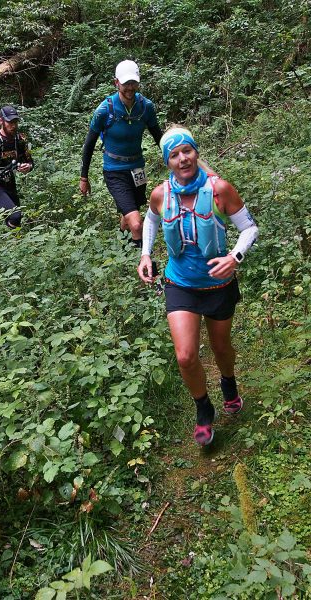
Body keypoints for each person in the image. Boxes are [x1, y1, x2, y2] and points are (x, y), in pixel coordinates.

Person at [137, 127, 259, 446]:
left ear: (196, 153)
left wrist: (235, 256)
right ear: (167, 161)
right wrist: (146, 254)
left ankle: (229, 384)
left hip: (218, 286)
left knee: (221, 349)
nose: (182, 159)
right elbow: (150, 220)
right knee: (185, 356)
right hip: (180, 284)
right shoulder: (161, 194)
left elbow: (249, 228)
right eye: (174, 155)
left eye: (187, 151)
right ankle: (204, 410)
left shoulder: (220, 190)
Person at [79, 60, 162, 248]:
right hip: (114, 171)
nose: (130, 88)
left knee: (129, 214)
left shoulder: (145, 107)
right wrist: (84, 177)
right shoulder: (104, 110)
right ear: (116, 83)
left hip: (137, 169)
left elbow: (158, 137)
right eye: (126, 83)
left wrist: (174, 156)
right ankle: (140, 260)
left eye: (133, 83)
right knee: (136, 223)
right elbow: (89, 144)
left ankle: (123, 249)